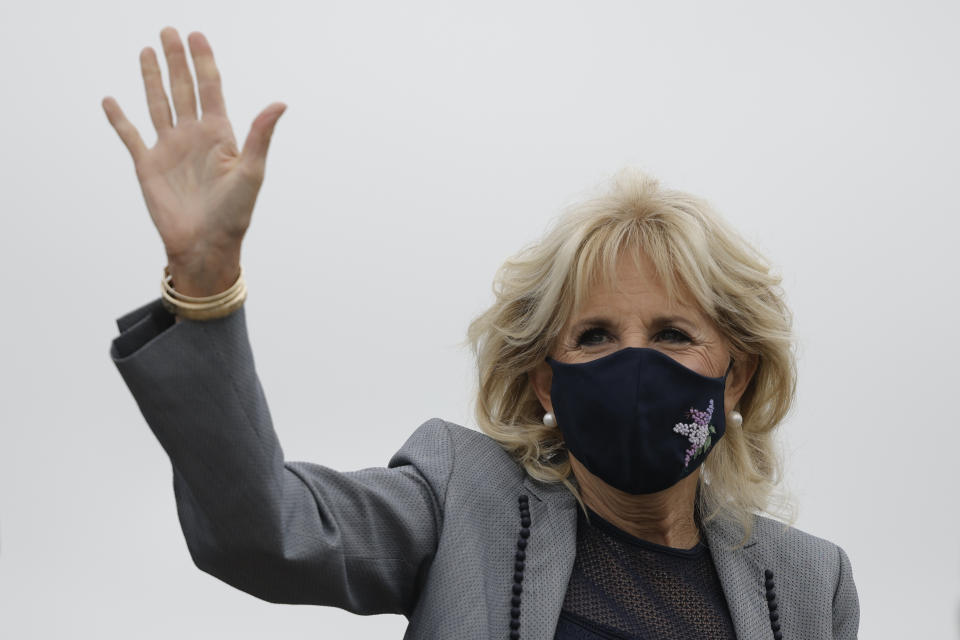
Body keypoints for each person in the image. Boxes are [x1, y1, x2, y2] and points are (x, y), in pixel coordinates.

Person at [103, 27, 859, 640]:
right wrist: (205, 288)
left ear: (736, 374)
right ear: (543, 378)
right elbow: (265, 530)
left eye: (671, 333)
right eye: (594, 336)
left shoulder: (808, 586)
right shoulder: (460, 503)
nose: (634, 362)